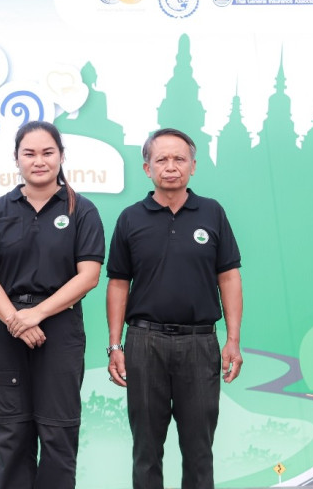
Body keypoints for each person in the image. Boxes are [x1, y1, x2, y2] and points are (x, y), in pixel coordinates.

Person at [106, 128, 243, 489]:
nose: (171, 167)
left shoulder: (212, 213)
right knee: (146, 450)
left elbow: (229, 277)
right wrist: (115, 345)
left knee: (199, 450)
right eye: (162, 159)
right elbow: (118, 283)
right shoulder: (130, 218)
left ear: (193, 166)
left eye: (179, 159)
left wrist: (232, 339)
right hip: (144, 343)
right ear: (147, 167)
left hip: (199, 344)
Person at [0, 120, 105, 488]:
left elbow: (88, 276)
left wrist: (37, 314)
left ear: (61, 156)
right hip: (7, 328)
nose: (39, 161)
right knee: (12, 432)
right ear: (16, 158)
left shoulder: (82, 210)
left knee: (58, 431)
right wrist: (16, 319)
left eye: (48, 152)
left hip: (59, 328)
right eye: (29, 153)